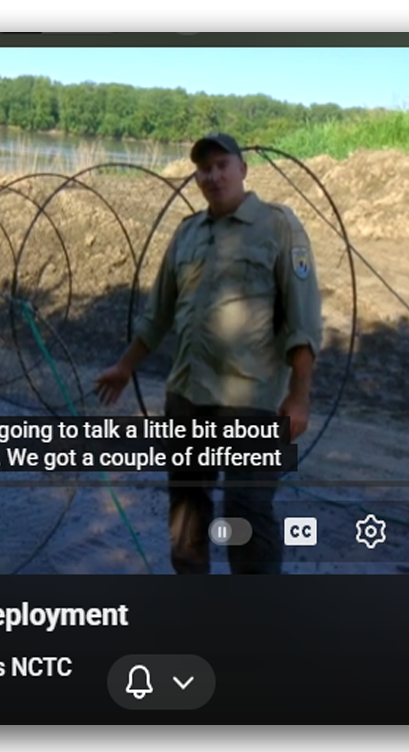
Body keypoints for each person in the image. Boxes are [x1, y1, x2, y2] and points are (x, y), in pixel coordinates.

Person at [94, 132, 324, 575]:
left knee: (246, 511)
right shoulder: (187, 233)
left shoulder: (279, 227)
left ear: (243, 170)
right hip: (187, 396)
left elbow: (304, 320)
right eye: (204, 169)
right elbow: (157, 314)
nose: (213, 176)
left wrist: (300, 396)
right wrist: (125, 367)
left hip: (252, 402)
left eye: (222, 165)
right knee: (187, 509)